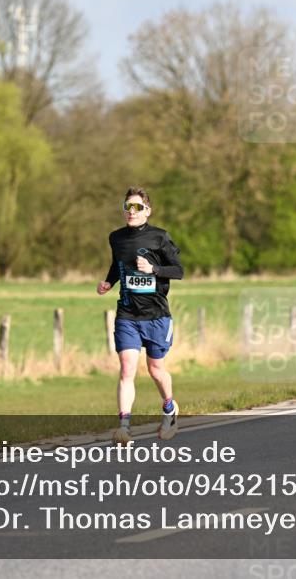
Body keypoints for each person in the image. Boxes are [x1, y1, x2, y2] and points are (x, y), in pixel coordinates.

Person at [97, 187, 184, 445]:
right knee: (127, 369)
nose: (130, 212)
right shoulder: (116, 238)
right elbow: (118, 265)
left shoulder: (160, 237)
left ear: (147, 210)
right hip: (127, 313)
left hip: (156, 315)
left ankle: (169, 408)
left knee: (156, 369)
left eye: (136, 207)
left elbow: (178, 271)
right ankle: (124, 427)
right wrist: (109, 282)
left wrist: (154, 268)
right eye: (127, 207)